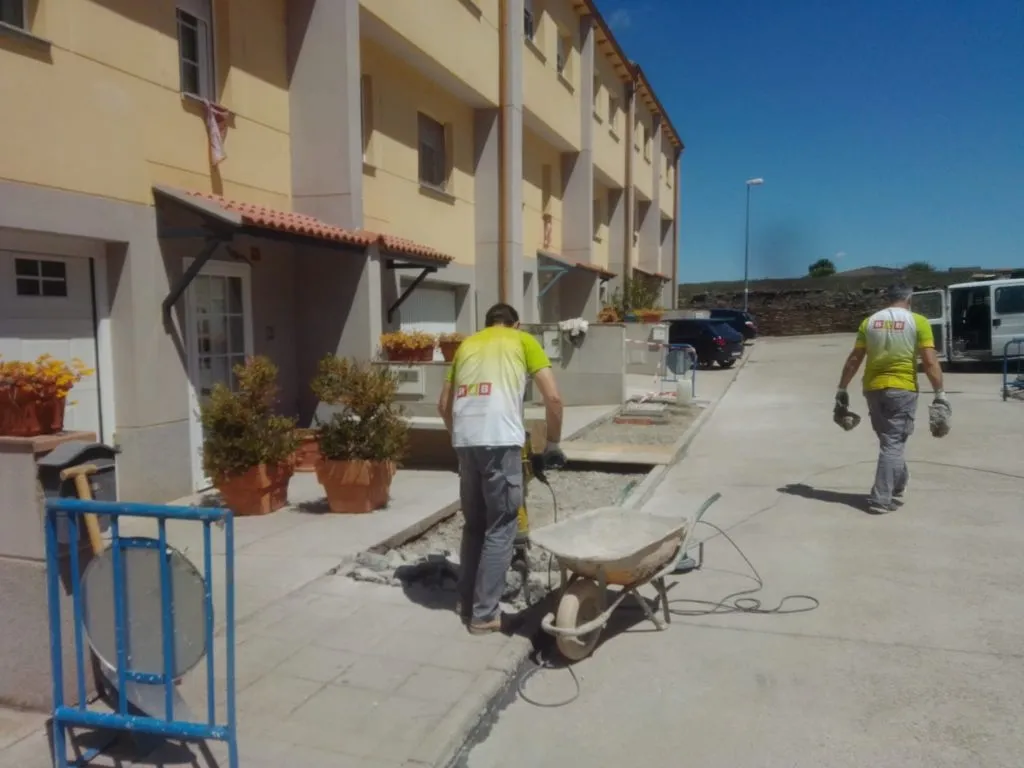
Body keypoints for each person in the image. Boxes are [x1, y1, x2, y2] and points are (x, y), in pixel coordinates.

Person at [438, 303, 566, 634]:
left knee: (474, 526)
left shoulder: (467, 345)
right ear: (516, 324)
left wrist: (461, 439)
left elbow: (443, 404)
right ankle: (485, 615)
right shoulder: (522, 340)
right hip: (500, 442)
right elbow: (553, 399)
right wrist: (553, 445)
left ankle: (467, 602)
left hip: (465, 443)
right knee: (502, 526)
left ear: (487, 324)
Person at [835, 283, 947, 514]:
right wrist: (940, 393)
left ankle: (898, 483)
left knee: (890, 441)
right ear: (909, 299)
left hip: (873, 388)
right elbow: (929, 361)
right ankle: (880, 499)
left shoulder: (869, 322)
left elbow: (855, 359)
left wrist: (842, 388)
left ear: (887, 298)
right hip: (902, 388)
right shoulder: (918, 321)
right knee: (893, 443)